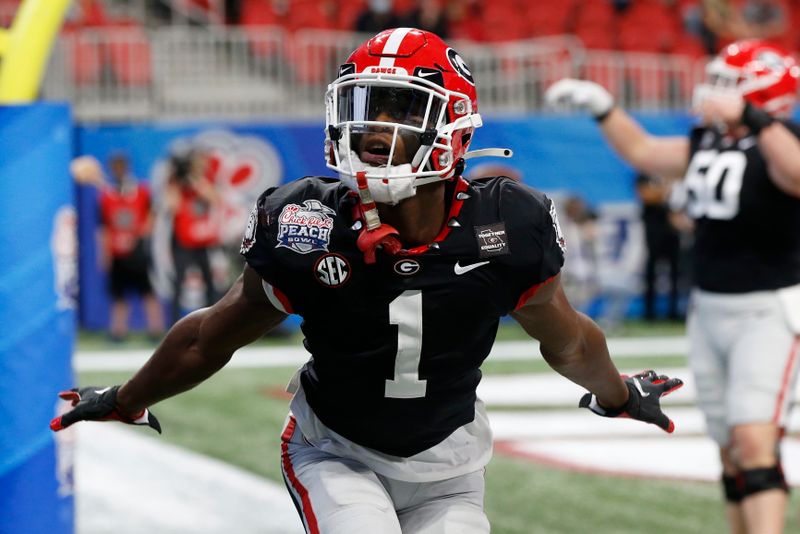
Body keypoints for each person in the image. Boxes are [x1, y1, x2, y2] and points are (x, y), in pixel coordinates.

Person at [51, 28, 682, 533]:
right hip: (335, 450)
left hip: (452, 462)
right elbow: (210, 337)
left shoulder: (507, 225)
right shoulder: (307, 219)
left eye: (399, 108)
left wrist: (618, 394)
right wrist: (129, 396)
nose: (372, 127)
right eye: (363, 106)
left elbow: (567, 340)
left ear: (454, 127)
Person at [546, 39, 800, 534]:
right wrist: (605, 108)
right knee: (729, 450)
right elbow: (644, 151)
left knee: (755, 442)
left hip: (768, 308)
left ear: (765, 95)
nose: (716, 92)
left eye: (732, 85)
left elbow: (795, 175)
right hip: (709, 307)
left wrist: (756, 119)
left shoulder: (781, 137)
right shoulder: (709, 140)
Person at [74, 153, 164, 341]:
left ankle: (155, 330)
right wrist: (104, 253)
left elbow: (152, 216)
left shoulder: (141, 190)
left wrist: (139, 235)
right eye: (116, 168)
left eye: (121, 167)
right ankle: (118, 331)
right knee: (118, 295)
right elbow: (103, 228)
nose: (119, 171)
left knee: (147, 292)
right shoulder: (107, 195)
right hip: (117, 251)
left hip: (137, 250)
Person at [163, 148, 221, 325]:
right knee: (179, 282)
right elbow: (171, 207)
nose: (201, 166)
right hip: (182, 240)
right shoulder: (176, 183)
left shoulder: (205, 181)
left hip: (200, 238)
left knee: (209, 282)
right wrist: (178, 183)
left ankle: (210, 322)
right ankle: (173, 324)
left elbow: (215, 200)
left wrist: (196, 182)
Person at [635, 172, 683, 321]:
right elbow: (647, 196)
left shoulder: (668, 176)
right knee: (651, 272)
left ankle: (673, 312)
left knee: (675, 272)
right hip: (654, 230)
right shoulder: (644, 175)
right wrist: (667, 190)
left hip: (672, 230)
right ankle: (649, 312)